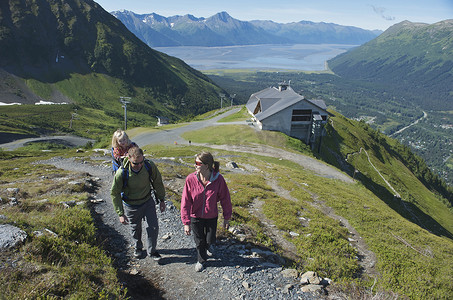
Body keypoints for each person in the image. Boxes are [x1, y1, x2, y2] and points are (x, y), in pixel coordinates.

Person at [110, 146, 166, 260]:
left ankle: (152, 251)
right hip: (131, 205)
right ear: (129, 159)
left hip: (147, 201)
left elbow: (158, 182)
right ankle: (138, 248)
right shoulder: (122, 172)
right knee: (135, 228)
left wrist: (161, 200)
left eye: (141, 162)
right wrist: (120, 213)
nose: (139, 165)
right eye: (136, 163)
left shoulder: (149, 166)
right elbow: (114, 192)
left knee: (153, 227)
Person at [181, 151, 232, 272]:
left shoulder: (218, 179)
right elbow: (185, 201)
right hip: (195, 216)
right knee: (199, 241)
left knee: (209, 240)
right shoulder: (190, 179)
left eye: (198, 163)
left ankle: (210, 245)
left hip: (211, 216)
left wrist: (226, 218)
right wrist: (186, 222)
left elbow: (225, 199)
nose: (195, 165)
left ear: (206, 165)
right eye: (195, 162)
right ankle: (201, 260)